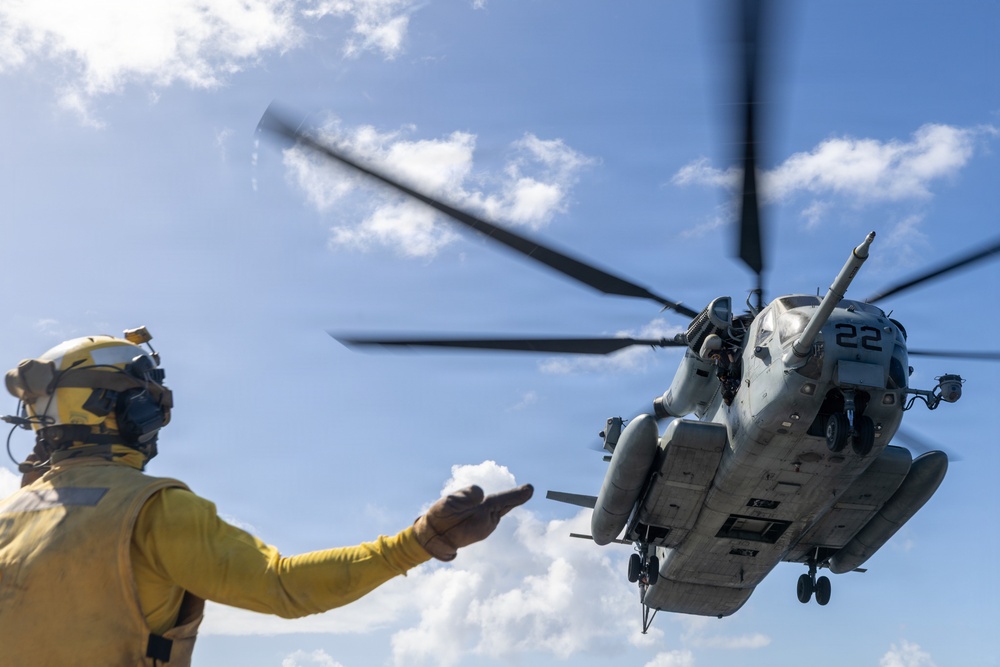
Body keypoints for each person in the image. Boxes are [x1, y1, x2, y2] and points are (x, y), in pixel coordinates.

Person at [0, 329, 532, 666]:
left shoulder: (9, 517)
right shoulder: (154, 509)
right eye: (149, 397)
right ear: (125, 409)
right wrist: (418, 542)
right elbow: (283, 587)